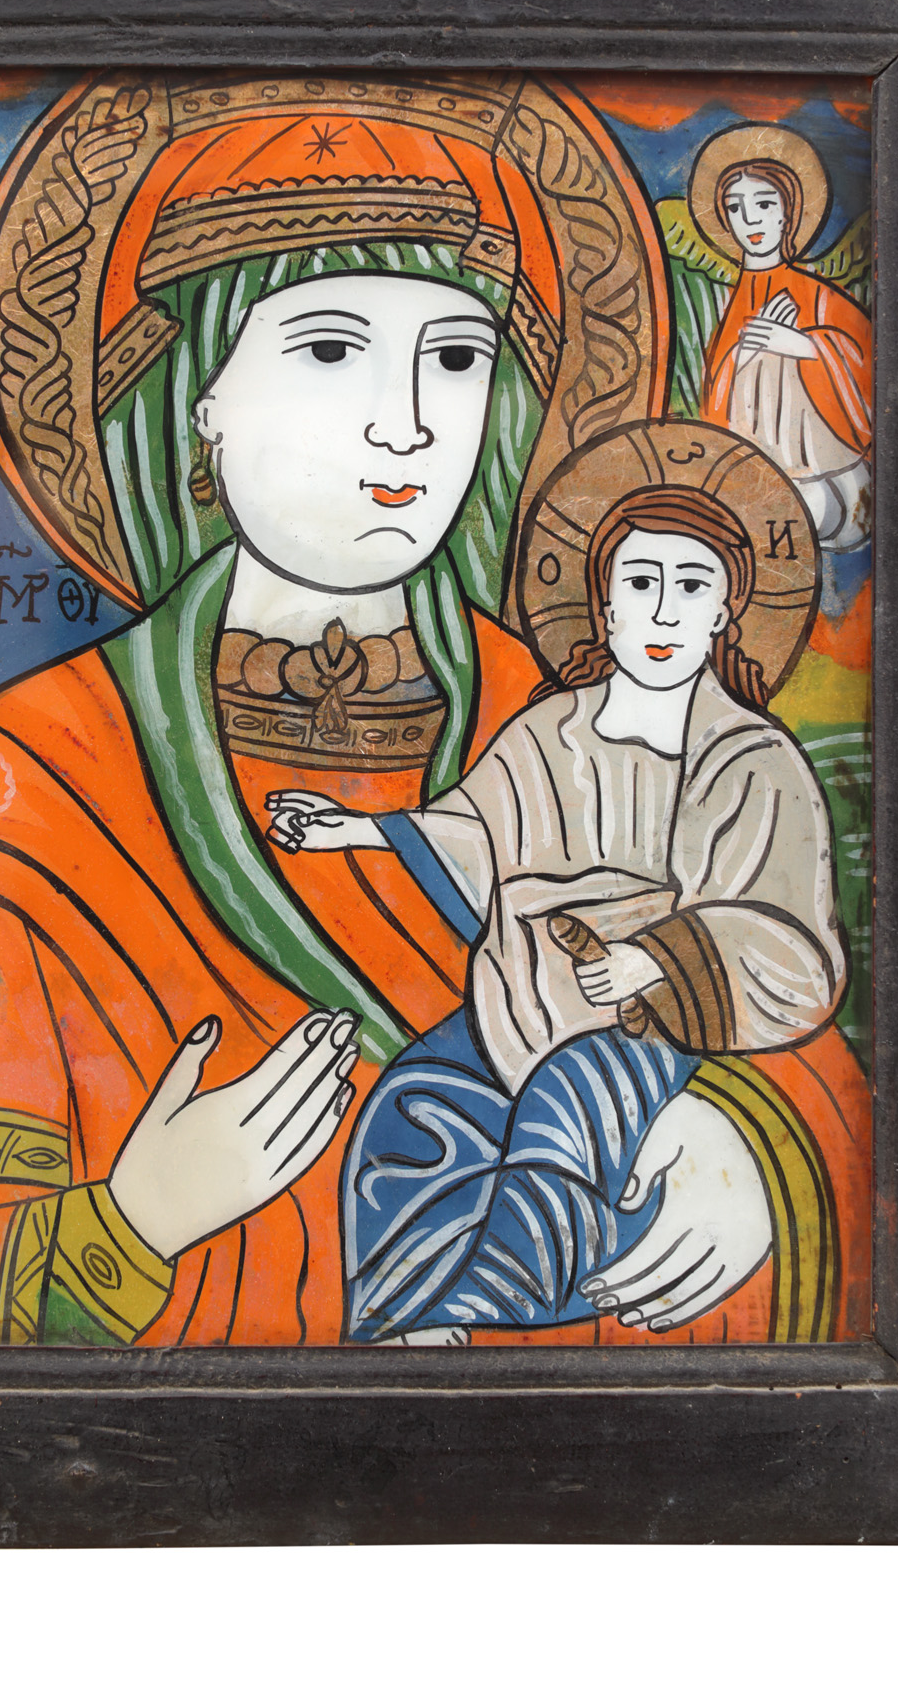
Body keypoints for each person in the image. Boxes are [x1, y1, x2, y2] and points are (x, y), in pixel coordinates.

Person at [0, 71, 868, 1347]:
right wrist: (130, 1220)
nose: (403, 426)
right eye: (325, 349)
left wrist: (748, 1148)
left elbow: (812, 1035)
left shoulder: (585, 724)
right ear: (202, 396)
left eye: (456, 358)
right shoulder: (7, 795)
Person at [266, 479, 847, 1341]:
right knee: (409, 1105)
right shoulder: (548, 731)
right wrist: (361, 829)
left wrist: (653, 960)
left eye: (692, 586)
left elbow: (782, 929)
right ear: (605, 608)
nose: (663, 611)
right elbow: (474, 831)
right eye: (641, 583)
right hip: (522, 997)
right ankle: (396, 1325)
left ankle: (477, 1307)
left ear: (725, 613)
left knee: (567, 1110)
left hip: (655, 1022)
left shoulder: (749, 758)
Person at [691, 124, 874, 551]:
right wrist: (745, 355)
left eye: (764, 203)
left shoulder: (821, 298)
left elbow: (865, 365)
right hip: (755, 483)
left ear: (786, 212)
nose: (750, 219)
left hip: (830, 480)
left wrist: (805, 347)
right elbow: (714, 406)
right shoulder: (732, 307)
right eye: (735, 208)